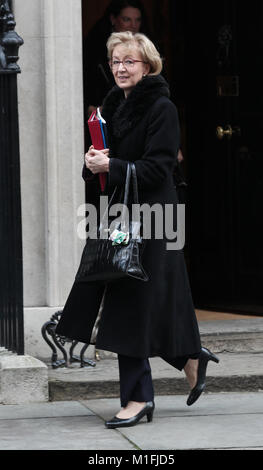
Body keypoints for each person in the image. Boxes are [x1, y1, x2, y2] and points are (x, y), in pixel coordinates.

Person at [56, 31, 219, 429]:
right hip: (119, 218)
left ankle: (138, 397)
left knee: (133, 308)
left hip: (154, 220)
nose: (121, 68)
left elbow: (158, 168)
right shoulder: (110, 107)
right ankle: (189, 357)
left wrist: (110, 167)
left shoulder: (161, 108)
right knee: (144, 305)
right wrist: (94, 162)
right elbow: (107, 169)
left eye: (129, 61)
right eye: (115, 61)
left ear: (147, 66)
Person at [83, 0, 149, 124]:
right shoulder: (94, 49)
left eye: (138, 20)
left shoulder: (148, 50)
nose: (133, 25)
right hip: (104, 123)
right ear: (113, 19)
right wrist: (89, 109)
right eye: (127, 19)